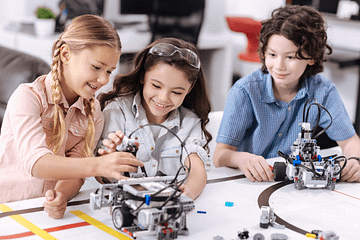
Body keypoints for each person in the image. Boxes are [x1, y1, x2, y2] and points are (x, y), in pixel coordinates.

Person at [0, 14, 143, 218]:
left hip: (43, 213)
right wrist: (98, 165)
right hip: (9, 209)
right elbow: (37, 163)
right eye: (96, 67)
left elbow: (77, 173)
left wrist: (60, 195)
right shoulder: (28, 97)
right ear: (66, 55)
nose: (103, 79)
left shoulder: (93, 114)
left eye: (110, 71)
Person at [213, 5, 360, 183]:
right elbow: (220, 155)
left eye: (291, 57)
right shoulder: (245, 91)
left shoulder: (324, 90)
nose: (279, 66)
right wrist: (240, 158)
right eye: (272, 55)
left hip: (292, 186)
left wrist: (354, 161)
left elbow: (350, 141)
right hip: (249, 183)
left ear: (311, 57)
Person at [97, 37, 212, 200]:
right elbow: (102, 176)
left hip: (165, 204)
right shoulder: (117, 112)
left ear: (189, 89)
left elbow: (197, 170)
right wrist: (107, 160)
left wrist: (187, 195)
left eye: (177, 92)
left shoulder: (190, 122)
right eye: (156, 86)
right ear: (143, 76)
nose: (163, 98)